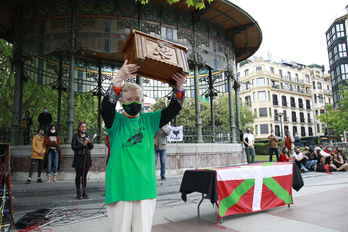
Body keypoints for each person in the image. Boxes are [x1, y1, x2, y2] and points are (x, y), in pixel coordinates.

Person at [100, 60, 186, 232]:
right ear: (121, 101)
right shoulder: (116, 122)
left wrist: (179, 87)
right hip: (120, 188)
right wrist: (119, 78)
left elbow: (173, 109)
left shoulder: (150, 120)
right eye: (129, 99)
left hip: (145, 188)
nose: (134, 102)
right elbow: (106, 108)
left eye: (138, 99)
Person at [71, 121, 94, 199]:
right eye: (82, 127)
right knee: (78, 175)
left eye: (84, 127)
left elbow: (91, 147)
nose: (83, 128)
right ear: (79, 128)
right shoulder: (75, 136)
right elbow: (73, 147)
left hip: (86, 157)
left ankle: (84, 191)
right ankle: (78, 192)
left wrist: (90, 143)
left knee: (84, 175)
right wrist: (82, 145)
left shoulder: (88, 135)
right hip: (79, 157)